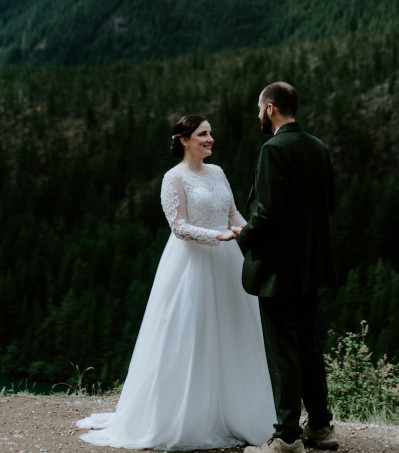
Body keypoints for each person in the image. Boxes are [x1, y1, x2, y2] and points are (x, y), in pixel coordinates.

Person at [77, 115, 275, 450]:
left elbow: (233, 215)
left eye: (211, 133)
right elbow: (179, 226)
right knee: (188, 336)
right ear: (184, 140)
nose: (210, 139)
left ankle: (235, 412)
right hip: (190, 265)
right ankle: (185, 415)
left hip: (226, 261)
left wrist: (251, 233)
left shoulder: (218, 173)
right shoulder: (174, 178)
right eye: (203, 134)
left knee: (232, 333)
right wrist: (220, 236)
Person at [236, 82, 339, 453]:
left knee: (283, 351)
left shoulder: (274, 150)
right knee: (309, 344)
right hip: (311, 266)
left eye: (260, 108)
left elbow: (265, 211)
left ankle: (287, 437)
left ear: (271, 109)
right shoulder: (319, 147)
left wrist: (243, 235)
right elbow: (328, 203)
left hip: (279, 269)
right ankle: (322, 429)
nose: (258, 115)